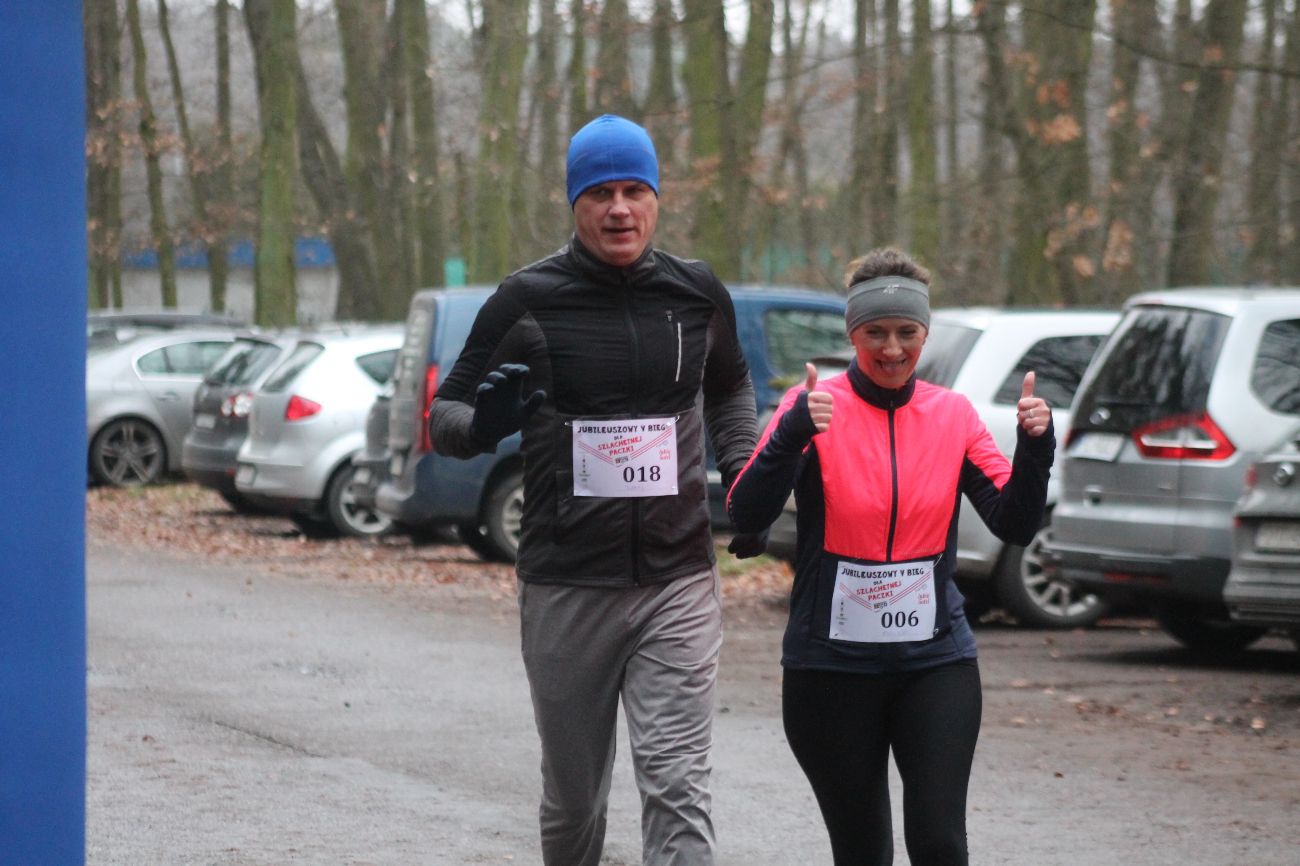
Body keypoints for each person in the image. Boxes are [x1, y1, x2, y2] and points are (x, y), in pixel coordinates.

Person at [428, 114, 760, 866]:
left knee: (678, 784)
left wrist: (742, 469)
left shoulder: (696, 291)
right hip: (567, 586)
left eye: (634, 191)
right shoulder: (527, 299)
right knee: (575, 798)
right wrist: (485, 424)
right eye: (601, 193)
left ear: (656, 199)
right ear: (574, 203)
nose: (619, 209)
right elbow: (444, 413)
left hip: (676, 579)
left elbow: (731, 386)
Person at [727, 247, 1054, 865]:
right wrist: (794, 432)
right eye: (875, 332)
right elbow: (746, 517)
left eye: (907, 332)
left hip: (934, 661)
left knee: (938, 843)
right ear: (853, 333)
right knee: (863, 851)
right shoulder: (814, 407)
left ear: (925, 334)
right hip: (830, 667)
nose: (892, 348)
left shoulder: (952, 416)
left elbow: (1015, 523)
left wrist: (1035, 449)